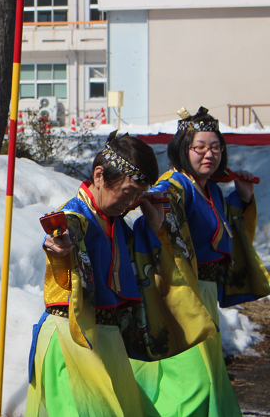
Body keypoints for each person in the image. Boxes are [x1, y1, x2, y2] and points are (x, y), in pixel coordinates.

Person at [26, 132, 216, 417]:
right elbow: (67, 228)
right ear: (99, 175)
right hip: (73, 338)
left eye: (138, 196)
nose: (131, 203)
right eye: (128, 193)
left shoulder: (116, 224)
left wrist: (152, 226)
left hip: (107, 339)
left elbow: (140, 263)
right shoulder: (77, 215)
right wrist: (59, 242)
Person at [130, 107, 270, 417]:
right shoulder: (176, 186)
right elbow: (158, 200)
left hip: (203, 293)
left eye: (216, 147)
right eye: (200, 147)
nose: (210, 154)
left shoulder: (212, 191)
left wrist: (243, 198)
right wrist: (152, 200)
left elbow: (224, 233)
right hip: (181, 293)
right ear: (183, 148)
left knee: (209, 379)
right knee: (191, 382)